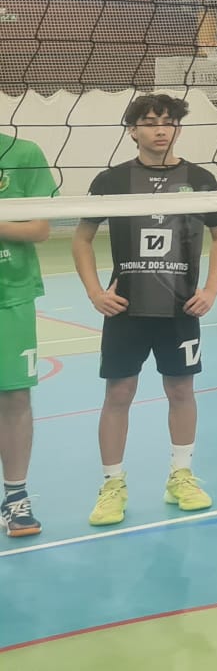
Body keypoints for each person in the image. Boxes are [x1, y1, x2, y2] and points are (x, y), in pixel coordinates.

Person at [73, 94, 217, 526]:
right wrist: (94, 292)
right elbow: (81, 238)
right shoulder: (111, 180)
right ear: (133, 130)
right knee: (118, 394)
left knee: (181, 391)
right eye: (150, 122)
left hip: (181, 309)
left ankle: (181, 475)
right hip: (126, 309)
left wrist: (211, 289)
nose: (161, 129)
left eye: (168, 121)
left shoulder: (200, 179)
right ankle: (112, 485)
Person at [0, 132, 55, 537]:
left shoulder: (23, 152)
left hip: (11, 294)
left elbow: (40, 228)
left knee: (16, 396)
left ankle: (15, 497)